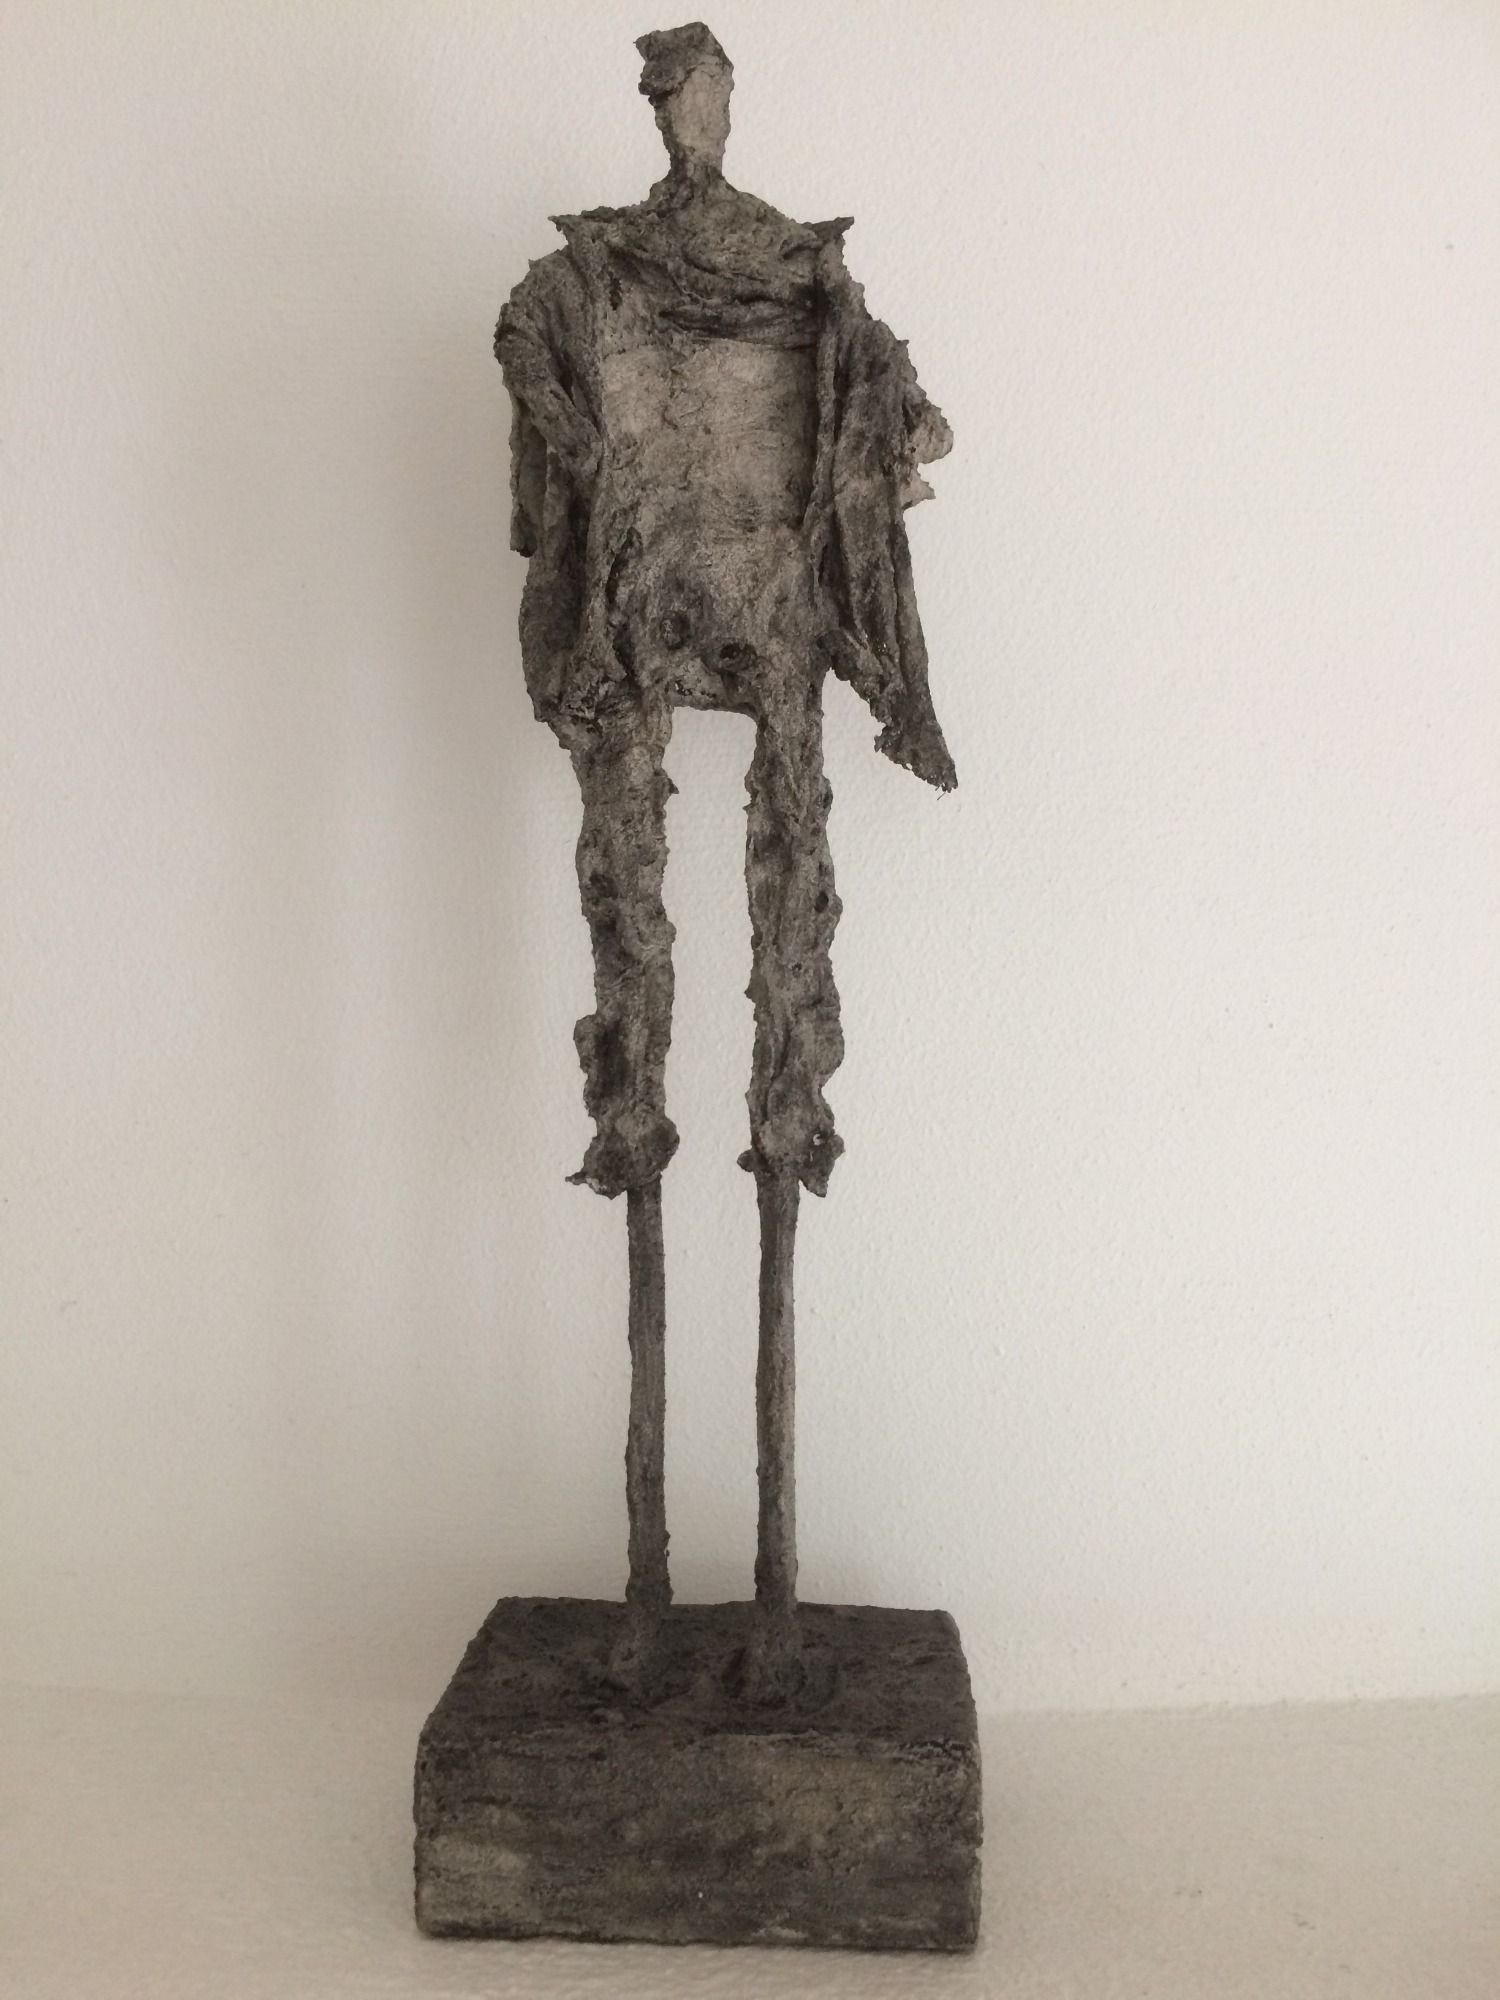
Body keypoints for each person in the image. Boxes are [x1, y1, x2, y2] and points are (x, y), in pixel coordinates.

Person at [496, 22, 955, 1697]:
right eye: (673, 92)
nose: (690, 112)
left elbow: (896, 422)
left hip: (766, 614)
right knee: (632, 968)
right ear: (661, 107)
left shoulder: (802, 280)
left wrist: (878, 421)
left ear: (725, 105)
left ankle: (768, 1597)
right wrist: (583, 453)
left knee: (785, 972)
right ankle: (646, 1595)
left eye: (704, 89)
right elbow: (534, 362)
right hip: (641, 604)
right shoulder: (586, 283)